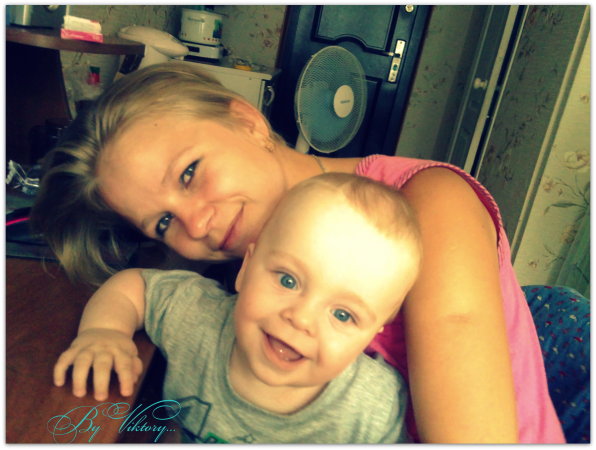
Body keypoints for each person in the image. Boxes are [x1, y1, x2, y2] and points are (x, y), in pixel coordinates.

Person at [31, 61, 566, 443]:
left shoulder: (430, 203)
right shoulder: (241, 271)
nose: (195, 223)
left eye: (190, 173)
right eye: (164, 222)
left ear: (248, 122)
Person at [53, 173, 422, 444]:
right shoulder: (197, 318)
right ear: (247, 268)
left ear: (372, 333)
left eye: (343, 315)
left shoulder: (372, 408)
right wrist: (104, 333)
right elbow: (135, 286)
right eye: (287, 280)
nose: (300, 319)